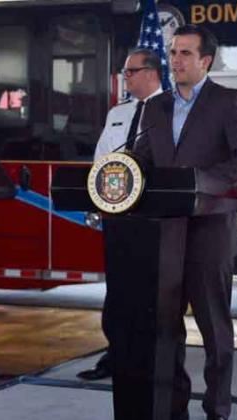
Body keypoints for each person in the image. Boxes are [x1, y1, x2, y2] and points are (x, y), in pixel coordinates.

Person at [133, 25, 237, 420]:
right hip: (165, 233)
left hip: (209, 231)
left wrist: (201, 184)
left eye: (186, 53)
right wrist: (118, 175)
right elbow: (142, 158)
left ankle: (217, 410)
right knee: (166, 328)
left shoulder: (228, 102)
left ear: (205, 61)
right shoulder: (156, 107)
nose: (176, 60)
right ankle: (175, 408)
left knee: (214, 330)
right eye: (173, 52)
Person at [76, 48, 163, 380]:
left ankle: (149, 361)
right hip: (117, 217)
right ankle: (116, 356)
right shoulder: (118, 112)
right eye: (125, 72)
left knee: (150, 294)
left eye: (130, 72)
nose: (124, 78)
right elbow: (101, 159)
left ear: (151, 73)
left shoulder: (172, 111)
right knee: (118, 293)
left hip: (152, 219)